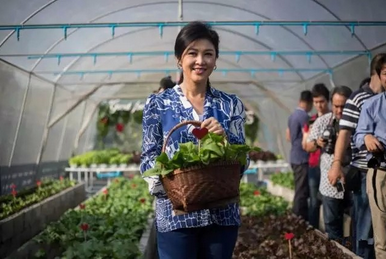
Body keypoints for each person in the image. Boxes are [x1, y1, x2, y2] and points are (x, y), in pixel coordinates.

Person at [140, 21, 246, 259]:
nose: (201, 61)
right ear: (179, 59)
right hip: (175, 217)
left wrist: (225, 140)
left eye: (208, 54)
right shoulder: (158, 104)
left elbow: (243, 160)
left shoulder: (230, 104)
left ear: (216, 60)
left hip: (222, 216)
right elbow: (148, 158)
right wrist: (174, 188)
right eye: (193, 53)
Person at [328, 53, 386, 258]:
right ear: (378, 74)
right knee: (366, 228)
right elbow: (345, 133)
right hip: (365, 172)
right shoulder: (360, 98)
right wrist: (336, 164)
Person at [304, 86, 352, 242]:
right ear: (331, 104)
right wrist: (318, 143)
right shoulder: (323, 121)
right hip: (328, 182)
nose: (339, 110)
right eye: (336, 106)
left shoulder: (357, 122)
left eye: (343, 106)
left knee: (356, 224)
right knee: (332, 225)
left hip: (352, 180)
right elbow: (308, 146)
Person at [355, 54, 386, 259]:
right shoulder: (372, 105)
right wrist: (367, 137)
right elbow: (358, 135)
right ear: (380, 76)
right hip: (381, 172)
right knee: (382, 228)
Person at [303, 83, 330, 228]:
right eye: (316, 102)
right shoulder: (311, 120)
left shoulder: (333, 119)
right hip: (314, 165)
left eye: (322, 101)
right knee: (314, 202)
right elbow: (306, 146)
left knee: (328, 201)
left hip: (329, 167)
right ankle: (313, 232)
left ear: (328, 101)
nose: (319, 105)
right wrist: (317, 143)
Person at [286, 90, 313, 220]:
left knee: (299, 188)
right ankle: (298, 218)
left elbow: (288, 136)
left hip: (294, 156)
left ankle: (297, 216)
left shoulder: (292, 116)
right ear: (309, 103)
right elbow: (307, 138)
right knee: (301, 191)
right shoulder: (304, 117)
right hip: (302, 158)